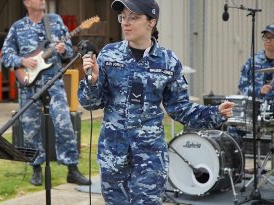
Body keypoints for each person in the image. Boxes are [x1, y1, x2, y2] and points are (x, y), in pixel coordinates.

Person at [78, 0, 234, 204]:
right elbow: (91, 104)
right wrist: (93, 81)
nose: (126, 23)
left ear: (151, 22)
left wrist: (215, 113)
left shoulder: (168, 61)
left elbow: (180, 108)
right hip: (113, 153)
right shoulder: (109, 54)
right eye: (123, 17)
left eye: (133, 17)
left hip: (149, 156)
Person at [1, 0, 90, 186]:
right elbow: (6, 56)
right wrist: (22, 61)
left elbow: (68, 54)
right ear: (26, 2)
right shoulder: (17, 28)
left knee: (64, 123)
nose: (42, 0)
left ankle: (72, 169)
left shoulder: (55, 21)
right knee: (30, 129)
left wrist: (63, 48)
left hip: (53, 83)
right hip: (28, 85)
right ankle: (36, 169)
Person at [228, 24, 274, 146]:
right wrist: (259, 90)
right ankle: (236, 162)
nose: (268, 41)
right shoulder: (253, 61)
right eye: (266, 37)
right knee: (233, 130)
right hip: (255, 109)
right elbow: (242, 87)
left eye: (271, 38)